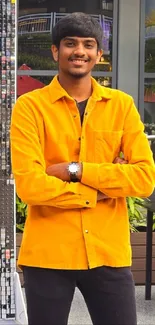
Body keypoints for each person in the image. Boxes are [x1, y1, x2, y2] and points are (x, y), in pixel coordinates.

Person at [10, 12, 155, 325]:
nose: (79, 51)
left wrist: (74, 170)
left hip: (108, 253)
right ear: (55, 50)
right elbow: (31, 186)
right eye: (70, 43)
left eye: (89, 44)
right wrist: (102, 189)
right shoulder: (29, 108)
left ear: (98, 54)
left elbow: (144, 178)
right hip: (48, 254)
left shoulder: (122, 106)